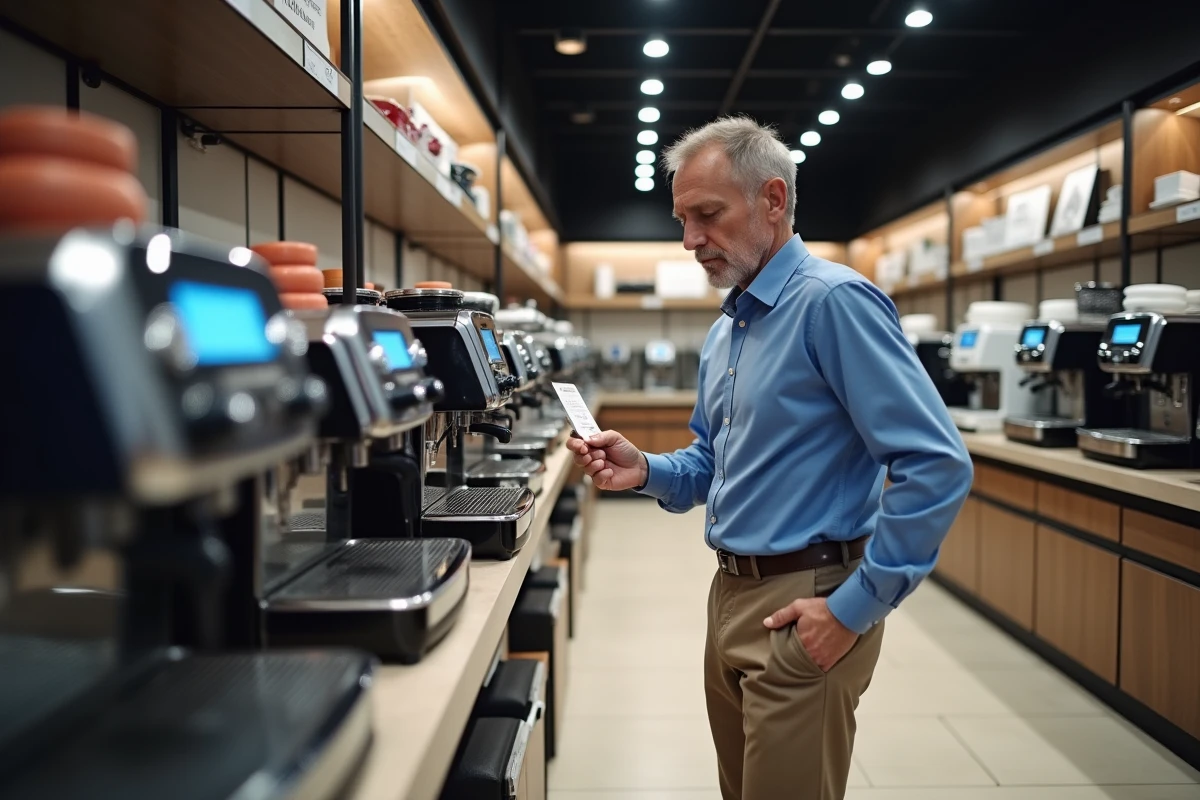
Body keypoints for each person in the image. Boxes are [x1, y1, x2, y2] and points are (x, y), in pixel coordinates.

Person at [566, 117, 973, 800]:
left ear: (773, 200)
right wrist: (647, 469)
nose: (691, 240)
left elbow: (935, 464)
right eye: (682, 219)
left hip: (804, 602)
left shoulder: (833, 303)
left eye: (708, 215)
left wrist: (853, 609)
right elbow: (713, 460)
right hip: (729, 594)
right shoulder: (731, 327)